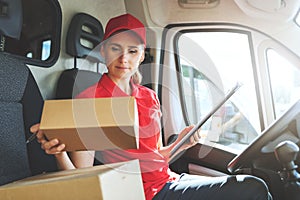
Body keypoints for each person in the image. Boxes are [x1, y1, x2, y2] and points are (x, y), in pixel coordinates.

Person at [30, 13, 272, 200]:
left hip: (169, 180)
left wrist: (181, 144)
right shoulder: (90, 100)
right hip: (142, 192)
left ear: (142, 56)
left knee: (248, 184)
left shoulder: (149, 97)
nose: (124, 59)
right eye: (115, 48)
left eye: (132, 51)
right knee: (252, 187)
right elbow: (81, 175)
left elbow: (155, 157)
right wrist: (60, 152)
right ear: (103, 50)